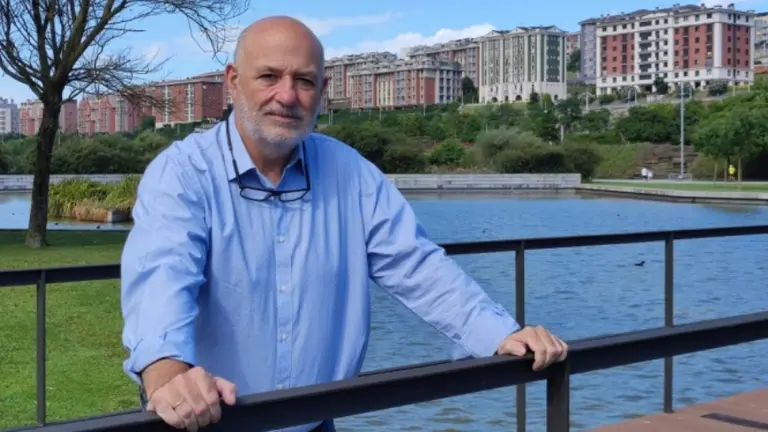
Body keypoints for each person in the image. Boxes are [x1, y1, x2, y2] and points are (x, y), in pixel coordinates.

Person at [120, 16, 568, 432]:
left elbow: (417, 266)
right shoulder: (181, 172)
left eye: (305, 81)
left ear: (323, 89)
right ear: (233, 81)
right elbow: (163, 273)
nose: (288, 95)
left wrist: (500, 334)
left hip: (316, 421)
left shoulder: (351, 173)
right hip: (207, 422)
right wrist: (166, 370)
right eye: (269, 76)